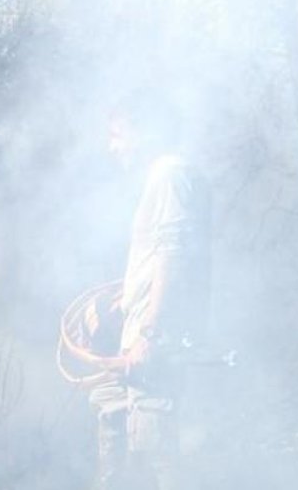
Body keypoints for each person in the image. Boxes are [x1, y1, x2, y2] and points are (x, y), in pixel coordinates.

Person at [89, 94, 212, 490]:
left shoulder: (169, 173)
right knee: (125, 452)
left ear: (143, 131)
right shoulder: (166, 177)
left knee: (159, 461)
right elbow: (160, 258)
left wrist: (150, 333)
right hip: (144, 342)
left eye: (117, 135)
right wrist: (122, 301)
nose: (113, 147)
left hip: (158, 347)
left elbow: (174, 255)